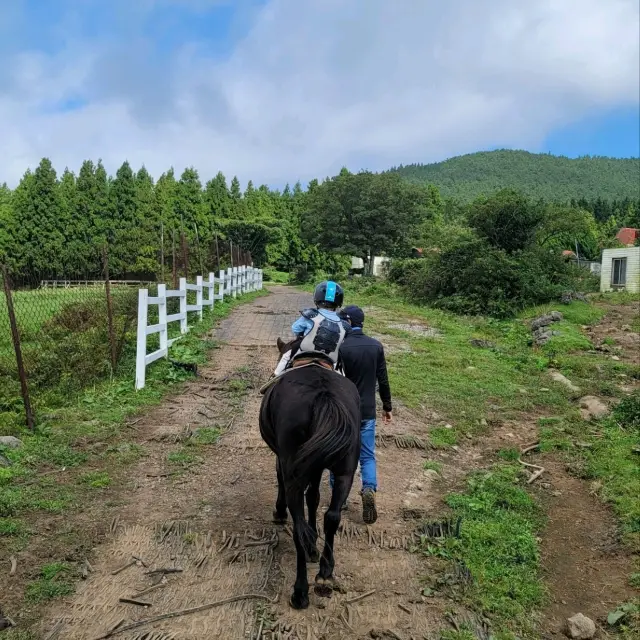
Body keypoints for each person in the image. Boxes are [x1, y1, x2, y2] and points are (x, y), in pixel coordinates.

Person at [334, 305, 392, 525]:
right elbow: (383, 379)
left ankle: (340, 499)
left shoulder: (341, 347)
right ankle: (368, 487)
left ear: (348, 322)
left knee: (339, 454)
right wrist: (387, 406)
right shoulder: (376, 346)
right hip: (367, 411)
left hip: (343, 410)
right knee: (367, 455)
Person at [272, 280, 347, 378]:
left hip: (304, 351)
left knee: (286, 356)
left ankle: (275, 377)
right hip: (330, 358)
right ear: (338, 303)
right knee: (342, 376)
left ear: (317, 299)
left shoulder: (311, 315)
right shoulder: (343, 323)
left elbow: (295, 329)